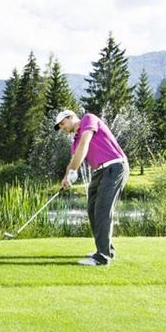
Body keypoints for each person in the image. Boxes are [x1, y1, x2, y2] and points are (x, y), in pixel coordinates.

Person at [55, 109, 128, 266]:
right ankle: (106, 248)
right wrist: (66, 177)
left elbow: (85, 142)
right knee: (92, 209)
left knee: (102, 209)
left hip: (114, 167)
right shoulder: (75, 141)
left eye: (63, 123)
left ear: (71, 117)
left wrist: (72, 171)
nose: (62, 127)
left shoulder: (88, 119)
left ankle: (102, 257)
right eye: (60, 126)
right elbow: (74, 159)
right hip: (99, 171)